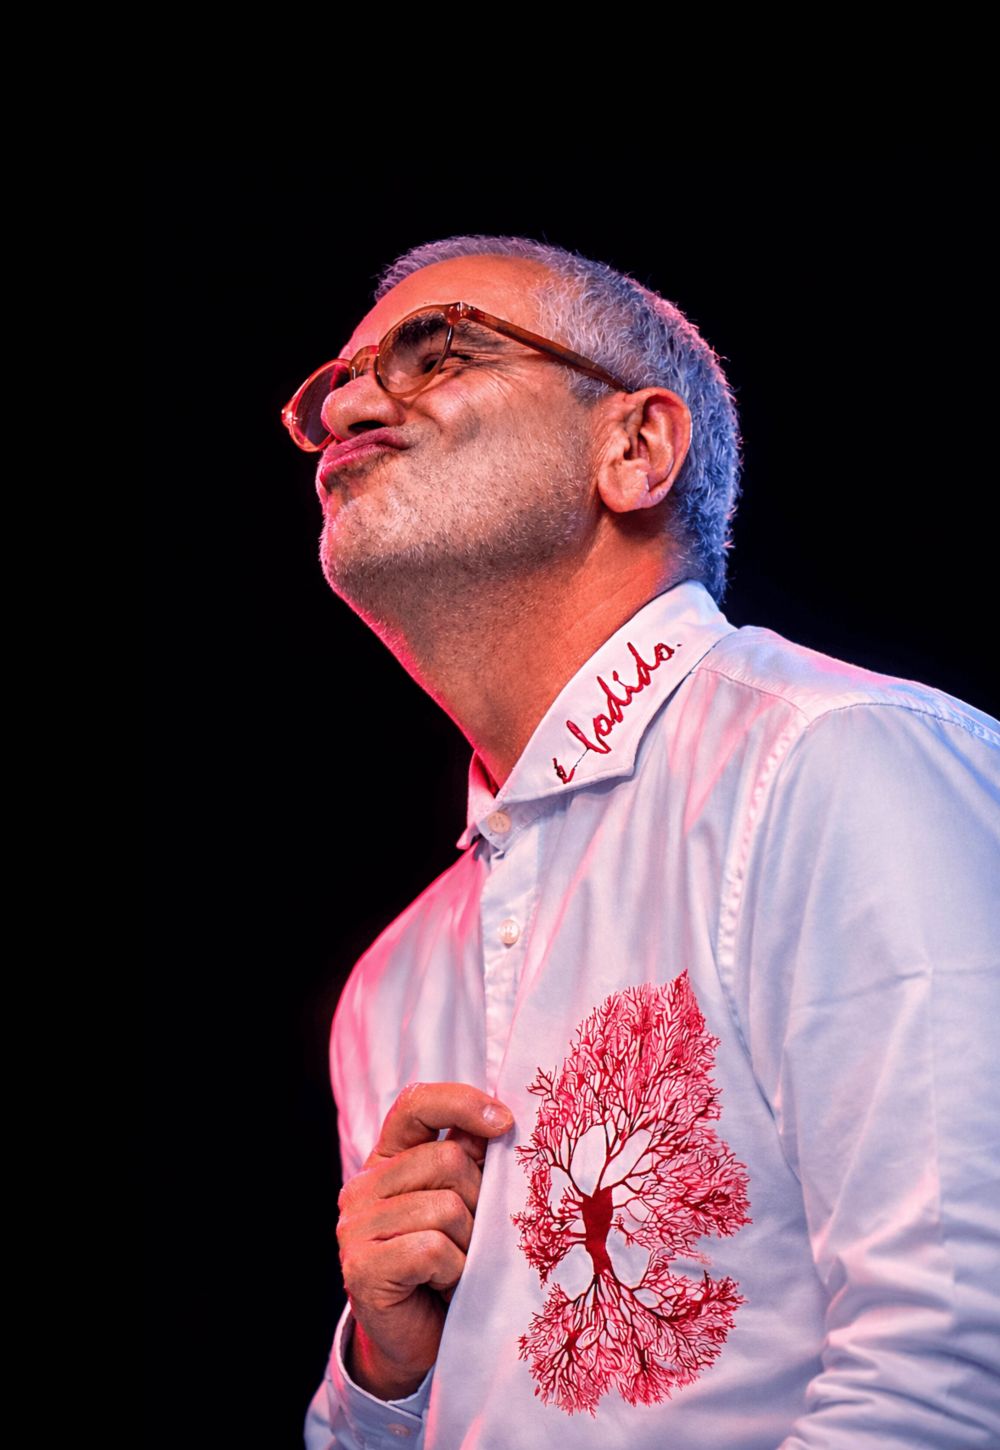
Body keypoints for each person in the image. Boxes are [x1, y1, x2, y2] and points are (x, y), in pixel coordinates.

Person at [284, 235, 1000, 1449]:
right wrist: (387, 1373)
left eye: (438, 349)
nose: (348, 406)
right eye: (335, 385)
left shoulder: (842, 764)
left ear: (634, 449)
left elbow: (957, 1372)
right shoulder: (389, 984)